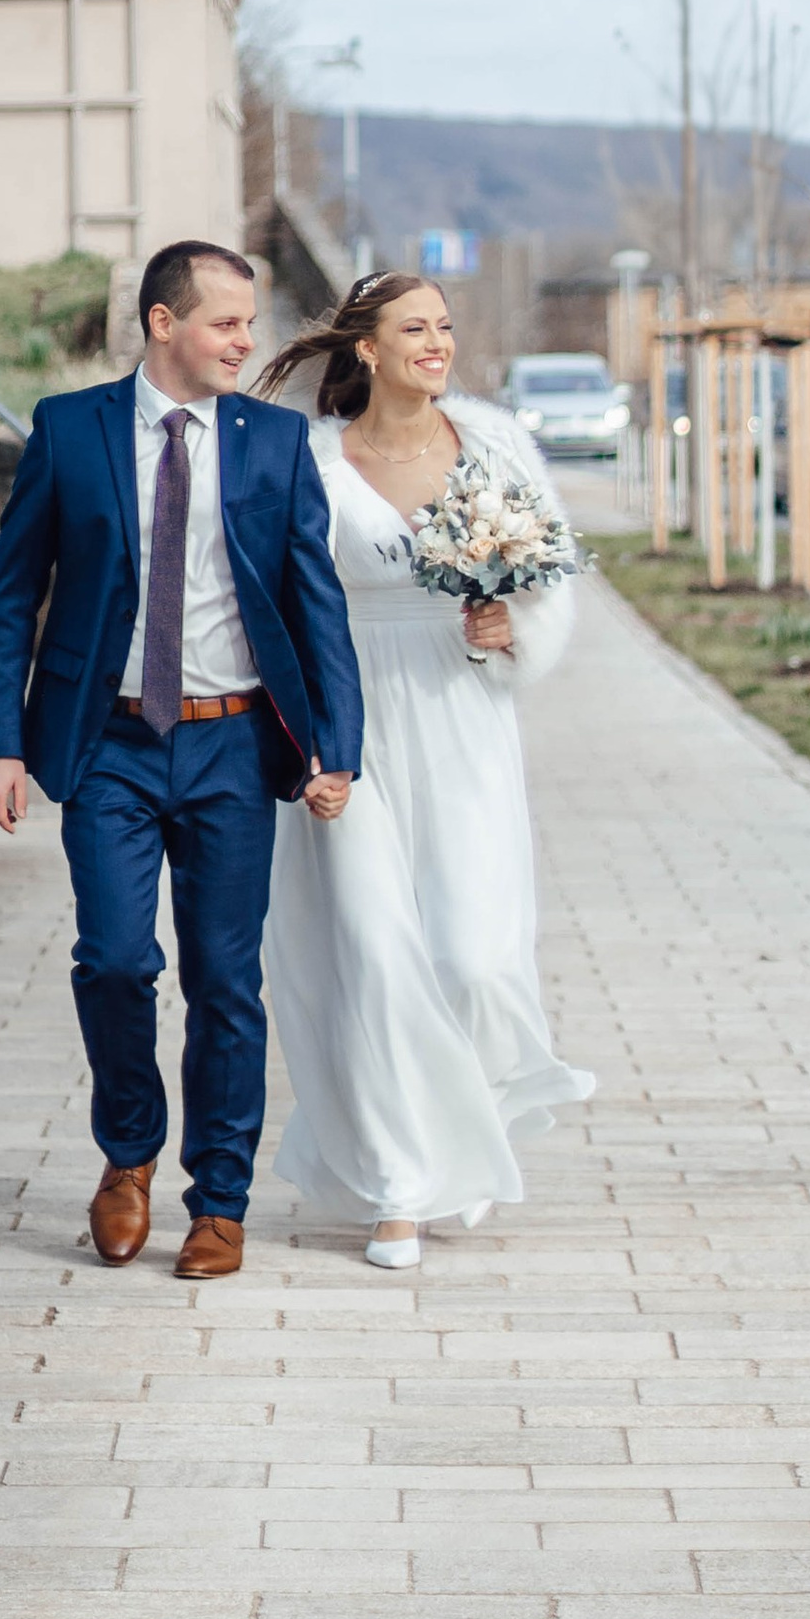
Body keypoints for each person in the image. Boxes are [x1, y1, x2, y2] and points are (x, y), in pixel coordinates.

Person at [0, 238, 364, 1281]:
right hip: (106, 741)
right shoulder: (70, 431)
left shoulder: (276, 445)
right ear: (162, 323)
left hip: (236, 743)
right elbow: (11, 594)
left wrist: (336, 746)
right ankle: (127, 1157)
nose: (247, 341)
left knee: (226, 981)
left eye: (249, 322)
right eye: (227, 322)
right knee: (113, 960)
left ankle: (220, 1203)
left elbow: (315, 607)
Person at [257, 271, 593, 1269]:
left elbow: (555, 579)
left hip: (460, 711)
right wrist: (296, 740)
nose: (437, 343)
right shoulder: (311, 463)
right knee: (367, 948)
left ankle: (471, 1118)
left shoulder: (493, 446)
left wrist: (510, 625)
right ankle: (399, 1184)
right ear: (367, 347)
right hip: (344, 719)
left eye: (445, 326)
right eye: (416, 328)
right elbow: (273, 602)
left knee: (474, 957)